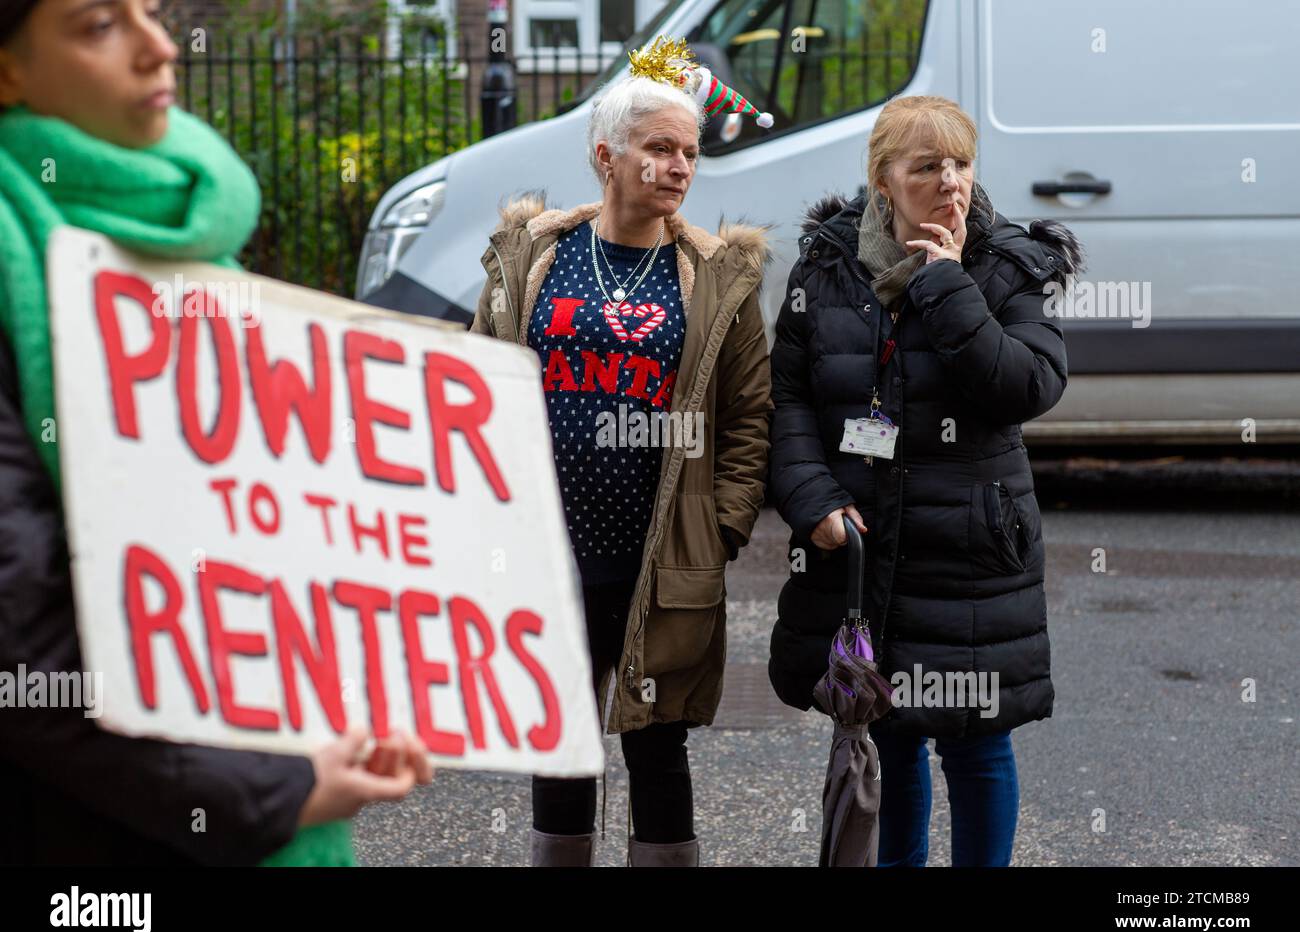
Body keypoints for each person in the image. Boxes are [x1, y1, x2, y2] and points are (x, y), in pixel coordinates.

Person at [0, 0, 432, 866]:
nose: (159, 47)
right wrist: (273, 789)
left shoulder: (177, 222)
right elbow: (19, 637)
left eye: (151, 13)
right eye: (97, 26)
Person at [468, 39, 773, 866]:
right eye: (660, 148)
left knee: (656, 742)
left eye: (690, 153)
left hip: (659, 558)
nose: (679, 167)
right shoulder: (535, 259)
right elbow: (474, 390)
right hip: (550, 554)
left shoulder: (715, 279)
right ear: (607, 155)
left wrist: (721, 533)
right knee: (561, 740)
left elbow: (748, 419)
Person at [767, 95, 1083, 866]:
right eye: (926, 167)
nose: (950, 182)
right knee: (892, 738)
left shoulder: (1003, 263)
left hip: (971, 544)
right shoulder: (828, 264)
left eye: (961, 164)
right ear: (883, 181)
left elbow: (1028, 386)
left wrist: (944, 286)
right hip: (868, 545)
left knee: (976, 748)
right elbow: (790, 397)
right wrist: (811, 496)